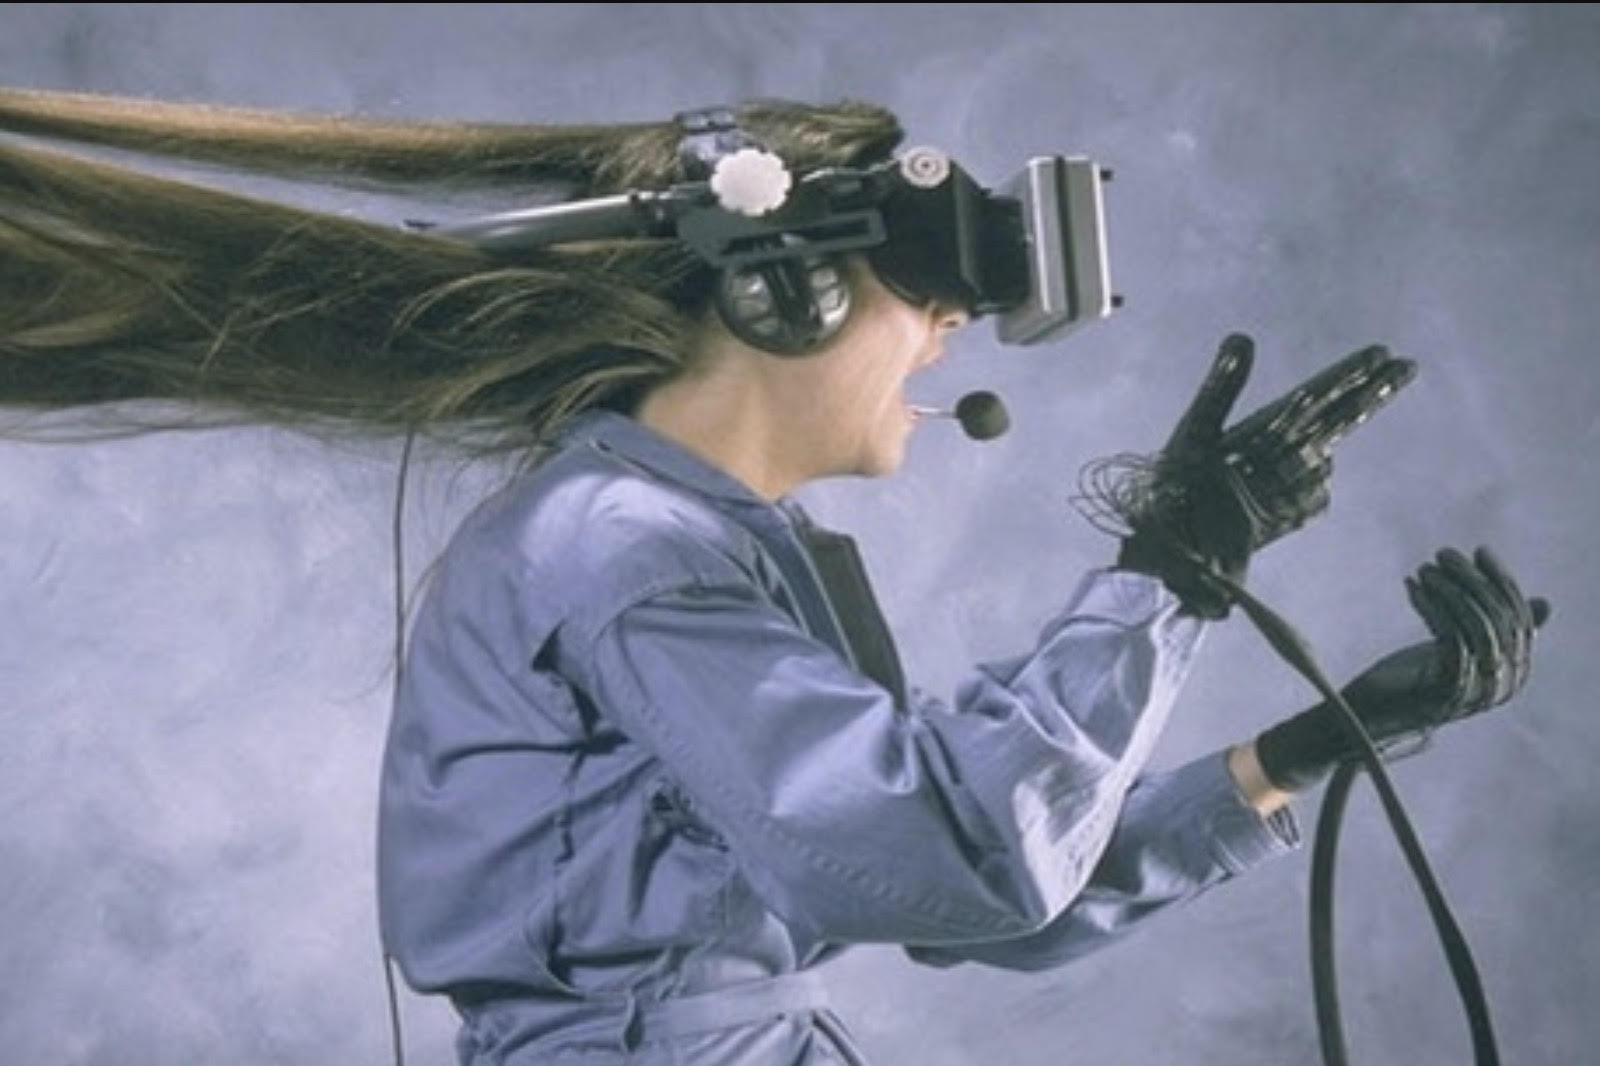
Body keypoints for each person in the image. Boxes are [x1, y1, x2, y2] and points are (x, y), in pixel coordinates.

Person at [0, 89, 1546, 1065]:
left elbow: (962, 900)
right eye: (928, 296)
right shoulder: (622, 552)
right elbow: (962, 862)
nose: (947, 338)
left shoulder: (718, 555)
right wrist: (1168, 579)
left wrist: (1299, 754)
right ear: (784, 289)